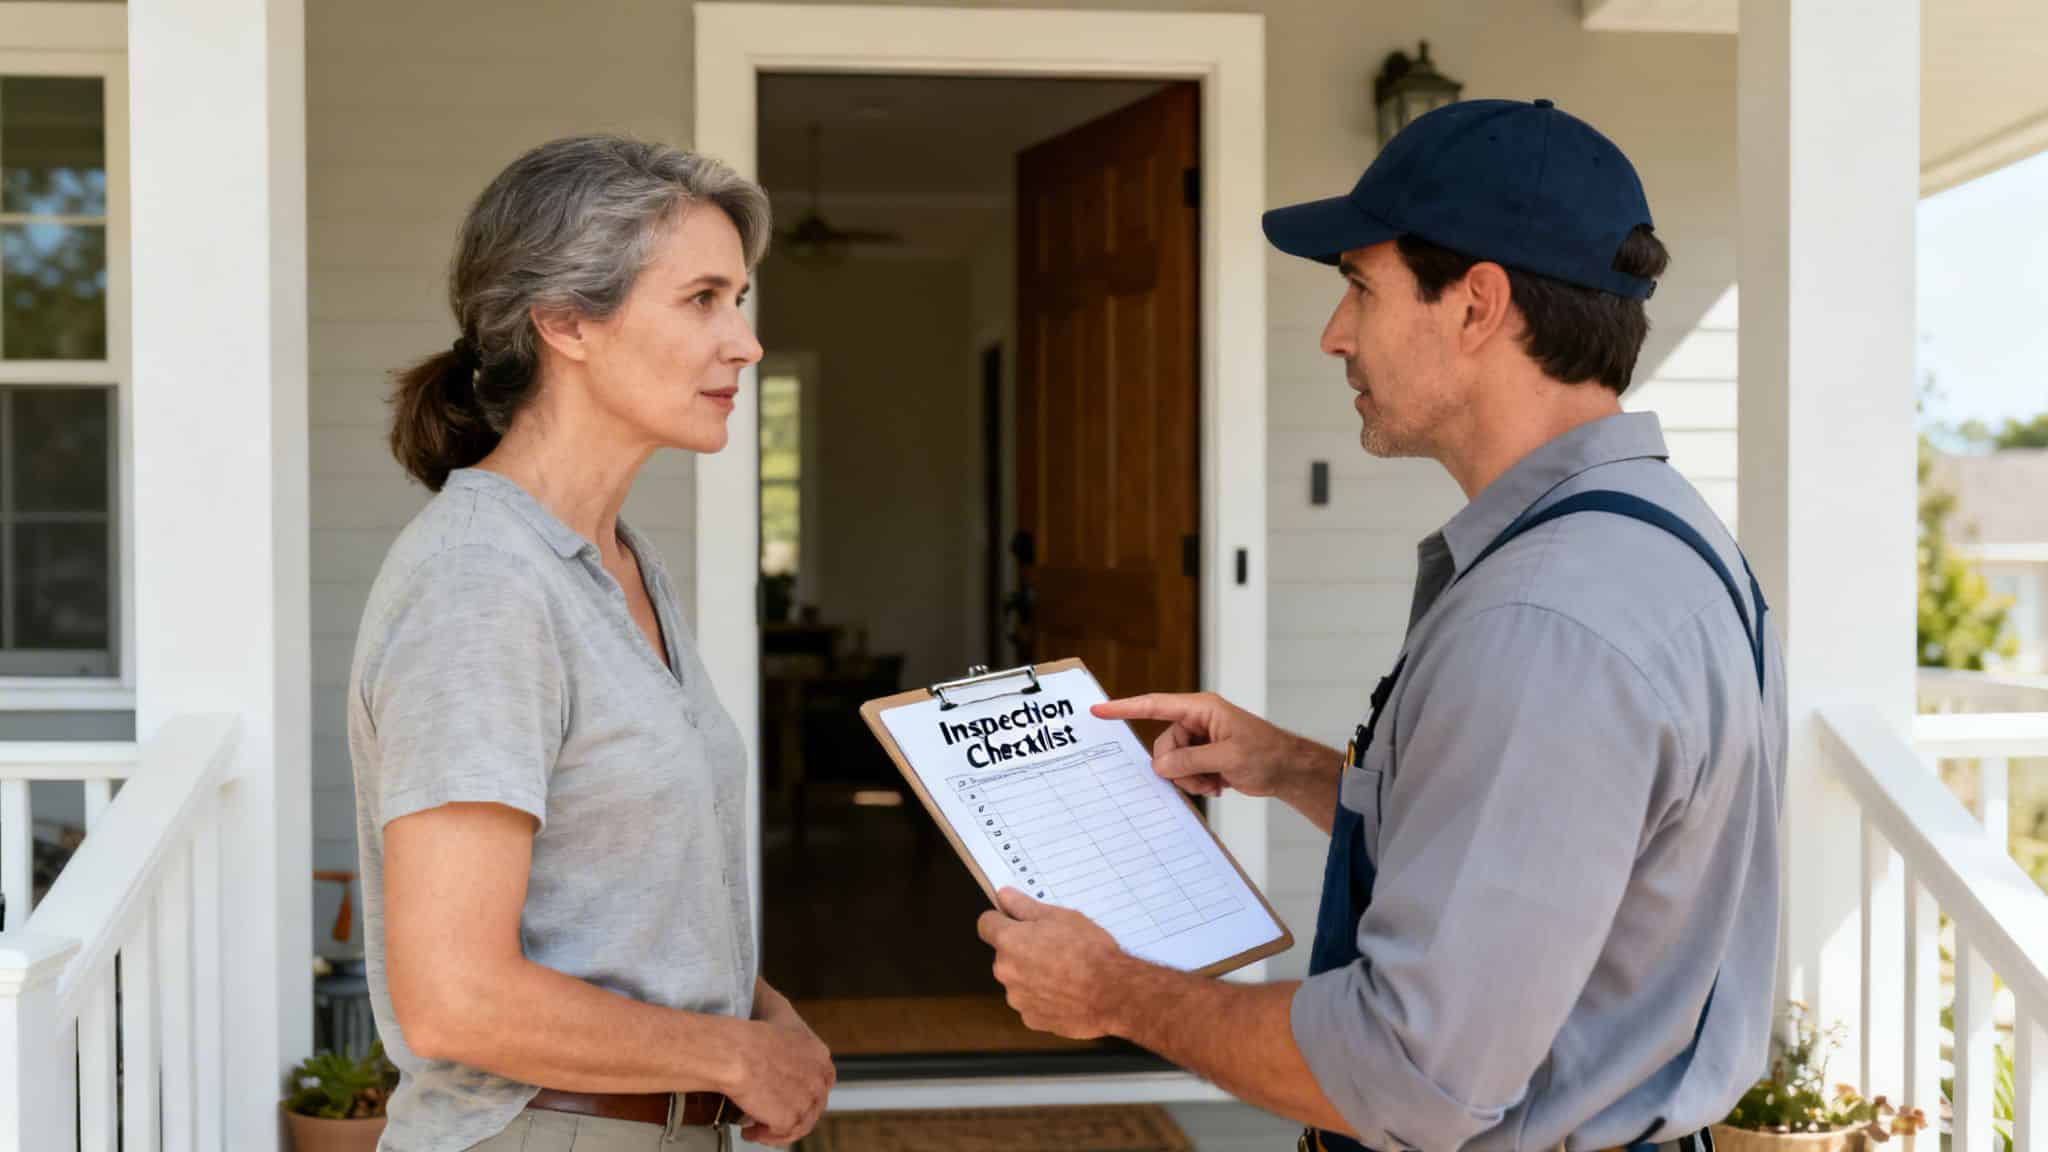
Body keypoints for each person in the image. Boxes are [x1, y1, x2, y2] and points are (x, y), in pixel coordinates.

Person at [977, 98, 1785, 1152]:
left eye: (1359, 286)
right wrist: (1299, 770)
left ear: (1476, 304)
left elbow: (1408, 1076)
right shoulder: (1655, 540)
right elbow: (1552, 868)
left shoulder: (1547, 621)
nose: (1333, 333)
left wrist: (1115, 991)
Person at [349, 135, 833, 1152]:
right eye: (703, 298)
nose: (742, 342)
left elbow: (622, 898)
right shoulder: (482, 584)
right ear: (565, 320)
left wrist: (761, 1014)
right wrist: (738, 1057)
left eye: (736, 298)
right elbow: (456, 999)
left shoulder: (614, 563)